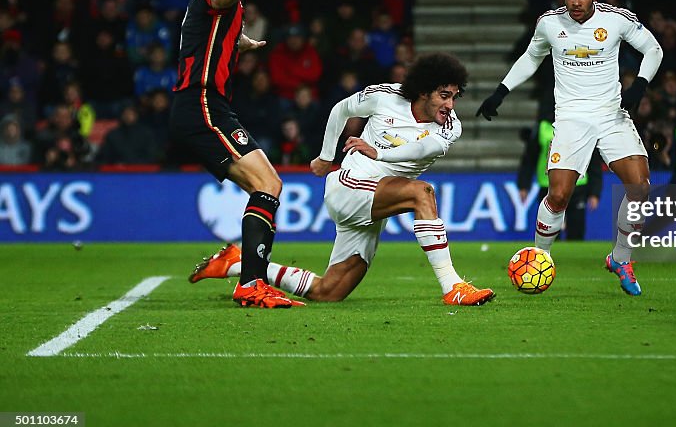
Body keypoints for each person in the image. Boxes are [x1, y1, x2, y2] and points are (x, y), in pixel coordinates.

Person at [190, 53, 494, 306]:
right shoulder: (385, 96)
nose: (450, 105)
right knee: (422, 193)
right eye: (444, 96)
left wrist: (378, 153)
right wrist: (326, 156)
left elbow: (421, 148)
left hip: (377, 203)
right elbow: (342, 109)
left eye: (455, 96)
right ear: (423, 91)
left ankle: (236, 264)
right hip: (350, 185)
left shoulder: (451, 127)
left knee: (329, 292)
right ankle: (452, 286)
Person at [477, 0, 664, 296]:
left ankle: (620, 258)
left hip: (611, 114)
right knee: (559, 195)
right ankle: (539, 257)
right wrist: (501, 92)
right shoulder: (550, 23)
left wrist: (640, 86)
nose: (576, 2)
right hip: (571, 118)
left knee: (639, 188)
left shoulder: (616, 19)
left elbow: (654, 49)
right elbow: (531, 58)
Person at [169, 0, 300, 309]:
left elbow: (212, 26)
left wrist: (240, 41)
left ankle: (244, 272)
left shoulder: (225, 5)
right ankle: (250, 283)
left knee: (265, 188)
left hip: (205, 106)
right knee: (268, 183)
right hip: (202, 104)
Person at [517, 97, 603, 241]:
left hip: (578, 185)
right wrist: (523, 184)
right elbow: (529, 158)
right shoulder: (543, 127)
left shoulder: (583, 126)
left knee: (576, 232)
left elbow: (593, 160)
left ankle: (573, 260)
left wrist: (595, 192)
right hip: (548, 186)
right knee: (549, 233)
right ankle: (548, 259)